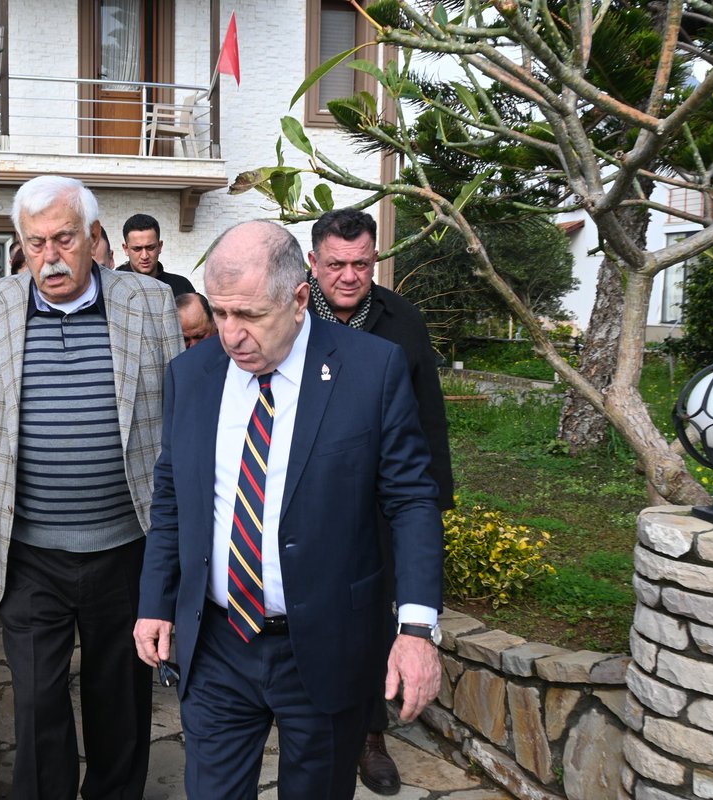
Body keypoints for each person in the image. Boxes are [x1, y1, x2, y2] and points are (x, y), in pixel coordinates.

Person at [133, 219, 443, 800]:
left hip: (326, 643)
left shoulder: (371, 370)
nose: (230, 335)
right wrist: (155, 602)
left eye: (249, 316)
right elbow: (172, 495)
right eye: (220, 313)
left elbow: (412, 500)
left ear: (300, 298)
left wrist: (418, 628)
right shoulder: (192, 375)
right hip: (220, 644)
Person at [0, 175, 183, 800]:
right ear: (21, 243)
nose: (50, 257)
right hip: (28, 554)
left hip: (127, 547)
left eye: (64, 239)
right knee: (38, 706)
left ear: (94, 237)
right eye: (35, 242)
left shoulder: (148, 304)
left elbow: (183, 414)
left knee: (119, 704)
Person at [307, 208, 455, 796]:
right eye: (336, 264)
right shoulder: (291, 319)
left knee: (374, 620)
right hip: (311, 499)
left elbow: (429, 416)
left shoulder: (403, 320)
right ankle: (307, 716)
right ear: (313, 263)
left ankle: (370, 735)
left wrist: (433, 502)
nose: (349, 275)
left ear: (375, 261)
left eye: (361, 264)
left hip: (384, 501)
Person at [117, 213, 194, 296]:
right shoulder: (113, 288)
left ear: (160, 246)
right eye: (137, 249)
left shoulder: (182, 287)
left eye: (150, 247)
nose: (144, 256)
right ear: (126, 249)